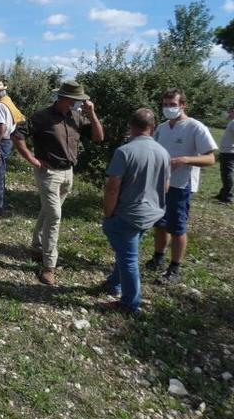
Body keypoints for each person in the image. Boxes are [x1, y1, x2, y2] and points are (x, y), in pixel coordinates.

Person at [13, 80, 104, 286]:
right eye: (77, 100)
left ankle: (36, 245)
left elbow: (98, 137)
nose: (80, 103)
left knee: (48, 211)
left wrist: (92, 114)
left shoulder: (78, 117)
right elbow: (17, 136)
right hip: (48, 173)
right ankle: (49, 266)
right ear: (65, 99)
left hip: (67, 173)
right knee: (55, 216)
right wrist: (33, 160)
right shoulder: (42, 117)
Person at [100, 108, 170, 313]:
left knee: (129, 258)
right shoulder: (163, 152)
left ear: (130, 126)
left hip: (128, 214)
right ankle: (114, 282)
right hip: (151, 213)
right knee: (126, 251)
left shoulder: (125, 151)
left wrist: (108, 214)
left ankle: (130, 303)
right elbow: (166, 186)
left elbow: (113, 188)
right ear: (153, 127)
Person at [146, 89, 217, 284]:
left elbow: (210, 158)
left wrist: (185, 159)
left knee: (177, 227)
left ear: (183, 105)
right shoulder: (162, 127)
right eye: (165, 105)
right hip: (160, 184)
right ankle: (158, 257)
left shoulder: (195, 127)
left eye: (173, 105)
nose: (169, 108)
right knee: (160, 223)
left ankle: (175, 268)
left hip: (181, 185)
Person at [0, 82, 26, 215]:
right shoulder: (9, 103)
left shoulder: (0, 106)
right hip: (7, 141)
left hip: (1, 142)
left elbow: (1, 128)